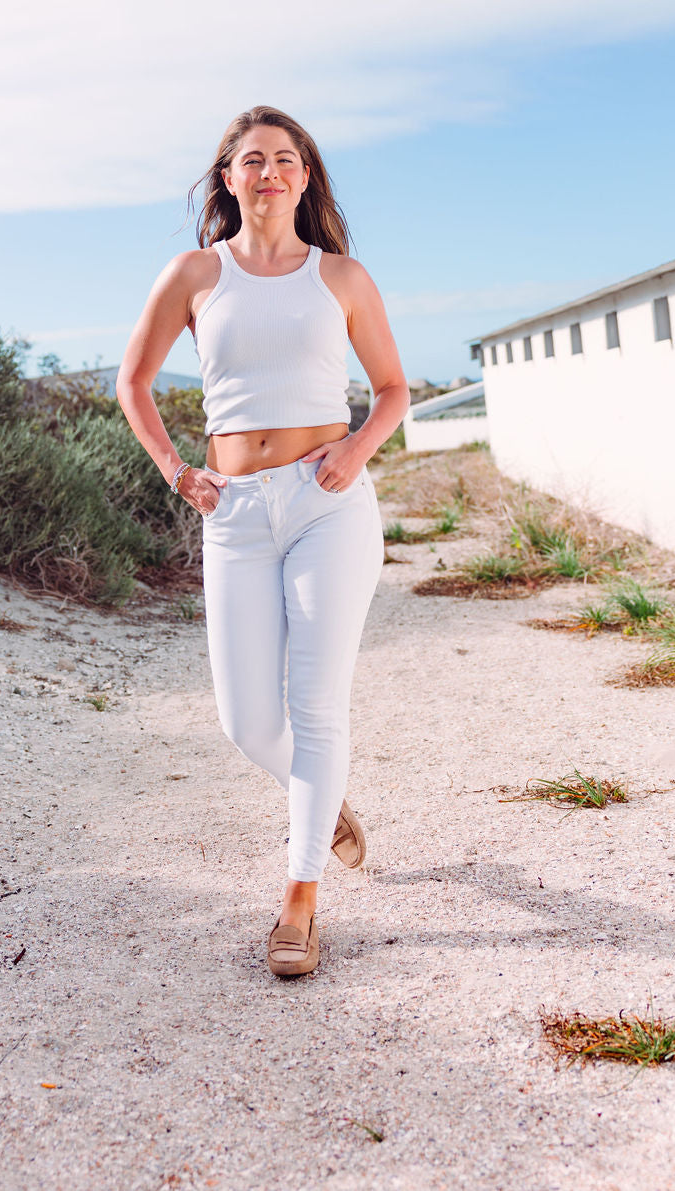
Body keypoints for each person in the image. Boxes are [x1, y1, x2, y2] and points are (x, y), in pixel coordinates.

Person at [116, 105, 409, 977]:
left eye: (285, 159)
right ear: (229, 177)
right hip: (235, 513)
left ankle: (300, 899)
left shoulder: (341, 277)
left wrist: (355, 451)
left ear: (305, 177)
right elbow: (132, 381)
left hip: (328, 505)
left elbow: (392, 389)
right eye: (253, 159)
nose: (269, 172)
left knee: (315, 708)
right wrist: (177, 470)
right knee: (247, 721)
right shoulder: (195, 273)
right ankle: (322, 797)